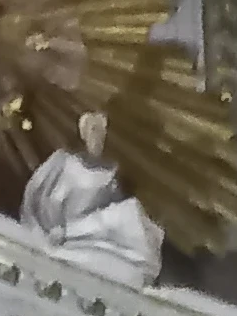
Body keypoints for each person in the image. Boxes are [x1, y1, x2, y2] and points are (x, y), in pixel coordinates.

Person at [19, 108, 164, 285]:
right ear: (84, 132)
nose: (97, 136)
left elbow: (110, 206)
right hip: (61, 237)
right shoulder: (62, 162)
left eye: (100, 131)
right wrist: (52, 231)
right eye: (93, 130)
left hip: (91, 236)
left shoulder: (109, 173)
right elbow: (37, 198)